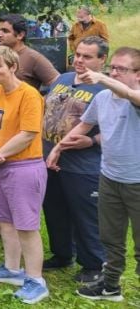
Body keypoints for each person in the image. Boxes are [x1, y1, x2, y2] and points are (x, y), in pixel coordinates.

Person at [56, 47, 140, 302]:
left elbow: (132, 97)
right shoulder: (103, 98)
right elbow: (84, 125)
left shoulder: (134, 98)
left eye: (121, 69)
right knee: (110, 239)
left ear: (138, 75)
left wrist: (103, 78)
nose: (114, 72)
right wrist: (58, 148)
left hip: (137, 183)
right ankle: (110, 287)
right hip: (109, 179)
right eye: (112, 68)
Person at [0, 47, 49, 304]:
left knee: (26, 225)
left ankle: (35, 280)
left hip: (23, 166)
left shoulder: (29, 95)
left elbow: (29, 133)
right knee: (5, 220)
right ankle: (11, 269)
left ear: (13, 67)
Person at [40, 36, 108, 282]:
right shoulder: (63, 79)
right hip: (49, 158)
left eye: (87, 56)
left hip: (83, 164)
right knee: (55, 210)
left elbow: (121, 126)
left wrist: (91, 141)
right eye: (77, 54)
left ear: (102, 59)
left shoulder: (107, 88)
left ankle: (93, 265)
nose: (79, 60)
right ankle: (62, 253)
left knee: (85, 215)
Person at [0, 14, 59, 90]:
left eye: (5, 31)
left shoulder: (33, 58)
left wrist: (41, 100)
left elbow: (59, 83)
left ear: (20, 35)